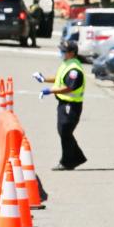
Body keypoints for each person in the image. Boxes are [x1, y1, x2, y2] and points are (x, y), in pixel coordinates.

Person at [33, 39, 87, 170]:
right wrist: (44, 79)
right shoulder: (67, 63)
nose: (61, 53)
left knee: (65, 132)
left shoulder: (75, 70)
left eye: (64, 51)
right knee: (63, 131)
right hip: (64, 104)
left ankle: (67, 162)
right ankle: (77, 158)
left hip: (71, 105)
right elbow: (58, 78)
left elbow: (69, 87)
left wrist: (49, 90)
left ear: (72, 53)